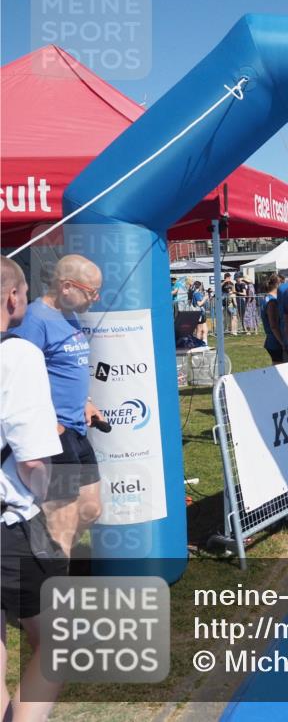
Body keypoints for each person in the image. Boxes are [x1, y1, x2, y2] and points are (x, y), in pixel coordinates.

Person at [1, 256, 66, 722]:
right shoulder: (18, 355)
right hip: (12, 522)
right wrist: (45, 496)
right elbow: (33, 459)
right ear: (11, 297)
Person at [12, 254, 107, 557]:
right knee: (61, 520)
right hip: (54, 434)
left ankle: (42, 555)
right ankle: (56, 592)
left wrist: (87, 402)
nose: (96, 298)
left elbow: (69, 368)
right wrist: (44, 420)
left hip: (76, 428)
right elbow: (16, 374)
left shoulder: (70, 313)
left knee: (91, 508)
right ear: (67, 286)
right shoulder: (34, 320)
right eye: (92, 291)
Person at [260, 274, 284, 364]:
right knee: (280, 367)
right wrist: (282, 343)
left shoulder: (266, 298)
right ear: (278, 284)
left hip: (272, 340)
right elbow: (274, 326)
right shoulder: (272, 301)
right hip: (275, 341)